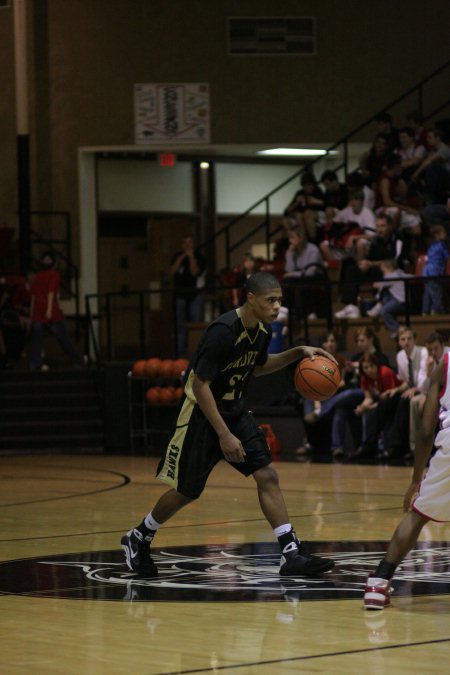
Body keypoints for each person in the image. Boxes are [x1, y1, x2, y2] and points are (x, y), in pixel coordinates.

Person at [121, 272, 336, 577]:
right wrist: (223, 434)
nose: (277, 307)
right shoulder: (222, 331)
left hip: (234, 410)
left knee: (268, 475)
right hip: (201, 415)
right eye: (270, 300)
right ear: (250, 299)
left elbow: (258, 367)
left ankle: (290, 552)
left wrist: (298, 353)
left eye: (279, 301)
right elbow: (200, 385)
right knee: (186, 491)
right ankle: (138, 537)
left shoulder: (262, 330)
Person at [363, 355, 448, 610]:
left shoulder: (445, 362)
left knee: (417, 515)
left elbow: (424, 431)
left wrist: (415, 482)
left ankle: (378, 583)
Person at [335, 213, 408, 320]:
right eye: (378, 226)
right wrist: (364, 264)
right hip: (375, 269)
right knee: (352, 270)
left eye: (383, 226)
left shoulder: (397, 238)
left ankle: (381, 303)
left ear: (390, 226)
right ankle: (352, 306)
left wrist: (371, 264)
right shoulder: (376, 240)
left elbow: (394, 261)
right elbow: (370, 258)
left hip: (394, 271)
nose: (380, 229)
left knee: (386, 272)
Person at [29, 251, 85, 370]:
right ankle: (78, 361)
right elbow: (51, 292)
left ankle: (35, 363)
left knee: (37, 339)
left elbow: (33, 296)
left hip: (38, 311)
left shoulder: (37, 276)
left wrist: (31, 312)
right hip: (50, 311)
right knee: (62, 337)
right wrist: (49, 309)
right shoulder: (54, 275)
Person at [170, 234, 207, 356]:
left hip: (195, 294)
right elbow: (172, 271)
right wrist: (182, 257)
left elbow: (194, 272)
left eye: (189, 242)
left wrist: (191, 257)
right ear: (182, 245)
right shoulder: (177, 256)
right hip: (180, 294)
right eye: (185, 243)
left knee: (195, 323)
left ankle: (194, 352)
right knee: (180, 325)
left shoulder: (199, 257)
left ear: (193, 244)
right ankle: (180, 353)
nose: (187, 245)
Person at [283, 226, 327, 319]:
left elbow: (311, 272)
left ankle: (308, 312)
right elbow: (289, 270)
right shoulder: (291, 251)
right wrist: (290, 254)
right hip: (302, 276)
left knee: (302, 282)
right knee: (287, 281)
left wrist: (292, 274)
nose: (290, 241)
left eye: (292, 237)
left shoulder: (313, 249)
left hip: (317, 277)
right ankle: (289, 310)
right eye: (289, 238)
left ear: (301, 238)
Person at [369, 259, 413, 339]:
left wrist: (375, 286)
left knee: (384, 310)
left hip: (400, 303)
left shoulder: (391, 276)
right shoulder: (400, 273)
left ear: (389, 269)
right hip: (403, 301)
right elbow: (410, 276)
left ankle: (396, 328)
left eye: (384, 271)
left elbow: (378, 285)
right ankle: (379, 305)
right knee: (387, 291)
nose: (383, 274)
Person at [284, 171, 325, 242]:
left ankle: (311, 240)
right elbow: (286, 212)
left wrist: (316, 201)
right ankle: (295, 241)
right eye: (305, 186)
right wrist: (296, 203)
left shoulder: (318, 191)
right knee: (289, 219)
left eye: (309, 185)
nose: (307, 188)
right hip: (300, 218)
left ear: (313, 185)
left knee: (307, 214)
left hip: (315, 216)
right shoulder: (300, 193)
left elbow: (325, 204)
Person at [421, 224, 449, 314]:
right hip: (435, 273)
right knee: (437, 292)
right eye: (443, 232)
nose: (445, 234)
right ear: (437, 234)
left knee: (428, 293)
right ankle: (437, 309)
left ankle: (425, 311)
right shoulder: (441, 245)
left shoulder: (431, 246)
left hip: (426, 272)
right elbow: (447, 257)